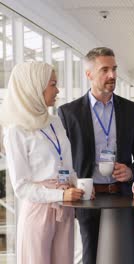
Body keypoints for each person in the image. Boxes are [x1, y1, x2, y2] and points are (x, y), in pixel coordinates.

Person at [58, 47, 134, 264]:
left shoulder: (130, 109)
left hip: (123, 196)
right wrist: (68, 187)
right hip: (88, 199)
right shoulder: (69, 113)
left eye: (114, 69)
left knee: (125, 256)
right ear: (89, 74)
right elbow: (61, 160)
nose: (112, 75)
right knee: (91, 257)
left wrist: (131, 171)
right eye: (105, 70)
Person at [1, 62, 84, 264]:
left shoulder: (55, 121)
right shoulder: (16, 130)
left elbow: (66, 164)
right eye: (53, 84)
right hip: (39, 210)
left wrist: (77, 185)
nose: (58, 90)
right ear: (34, 87)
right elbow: (21, 187)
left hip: (65, 206)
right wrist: (60, 194)